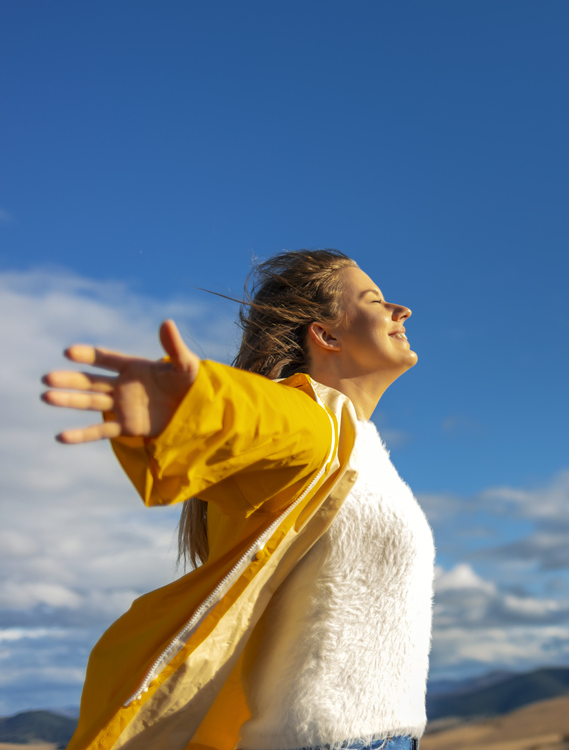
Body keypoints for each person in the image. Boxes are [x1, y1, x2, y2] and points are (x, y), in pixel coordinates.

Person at [40, 249, 434, 750]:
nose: (402, 310)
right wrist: (190, 403)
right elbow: (255, 413)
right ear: (326, 334)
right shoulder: (316, 423)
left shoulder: (360, 446)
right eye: (376, 300)